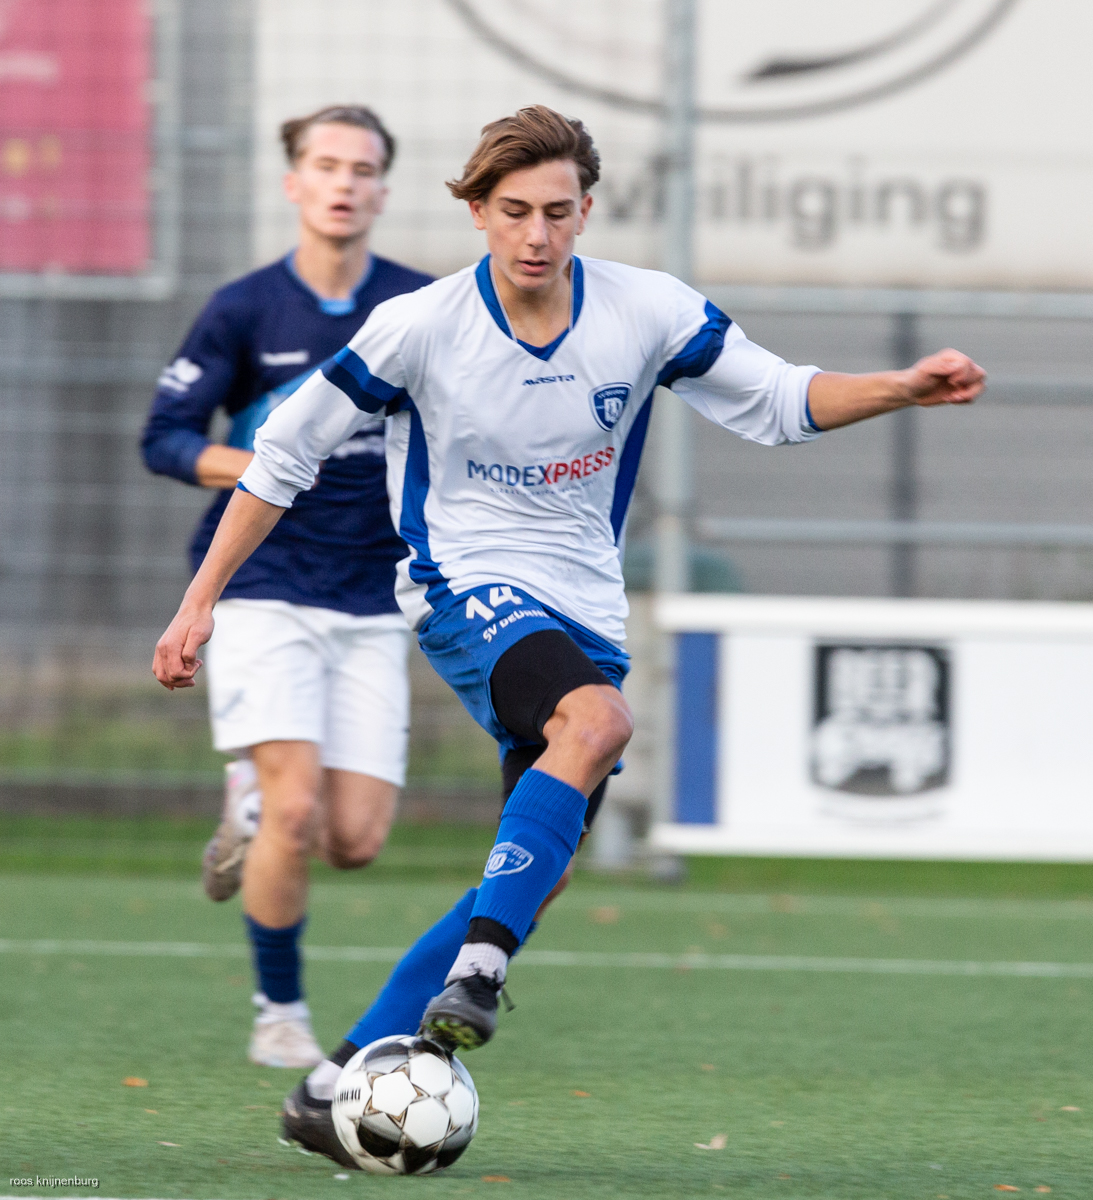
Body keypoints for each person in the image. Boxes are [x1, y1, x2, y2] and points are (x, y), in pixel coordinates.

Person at [151, 104, 985, 1164]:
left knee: (528, 874)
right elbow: (282, 455)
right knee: (595, 725)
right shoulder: (420, 326)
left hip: (584, 605)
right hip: (462, 586)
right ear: (476, 212)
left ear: (586, 210)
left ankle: (331, 1085)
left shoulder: (646, 310)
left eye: (556, 211)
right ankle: (479, 974)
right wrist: (200, 603)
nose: (536, 235)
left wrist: (902, 388)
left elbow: (779, 401)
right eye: (513, 212)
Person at [142, 104, 432, 1069]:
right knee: (296, 808)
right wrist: (272, 464)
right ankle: (280, 1012)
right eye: (326, 165)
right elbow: (163, 439)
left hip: (373, 595)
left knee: (353, 840)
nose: (344, 182)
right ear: (294, 183)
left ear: (383, 190)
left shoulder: (419, 308)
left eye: (363, 168)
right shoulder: (243, 309)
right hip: (260, 584)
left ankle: (250, 800)